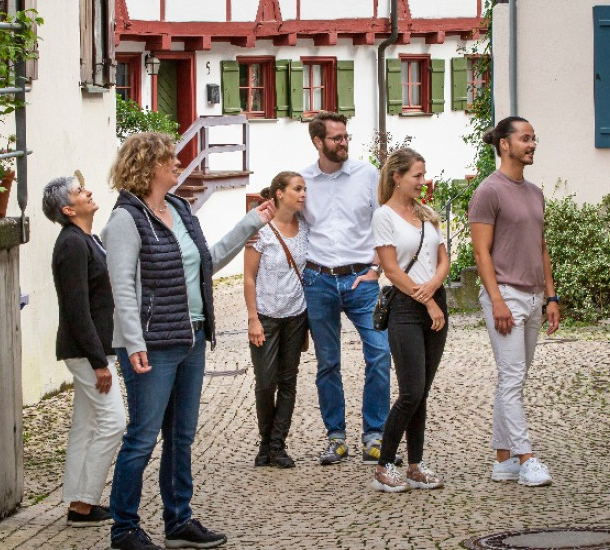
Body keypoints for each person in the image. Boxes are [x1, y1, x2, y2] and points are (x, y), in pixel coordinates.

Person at [103, 132, 275, 550]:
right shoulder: (125, 220)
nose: (178, 165)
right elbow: (122, 287)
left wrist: (252, 222)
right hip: (151, 344)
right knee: (142, 437)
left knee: (181, 437)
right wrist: (133, 341)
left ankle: (178, 521)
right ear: (147, 167)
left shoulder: (179, 209)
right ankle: (123, 528)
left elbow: (208, 261)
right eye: (170, 160)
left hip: (192, 336)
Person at [468, 116, 561, 488]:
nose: (532, 144)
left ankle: (503, 461)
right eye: (525, 138)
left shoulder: (534, 192)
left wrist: (551, 296)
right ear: (504, 144)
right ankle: (527, 458)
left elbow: (541, 248)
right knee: (511, 378)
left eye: (534, 139)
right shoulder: (488, 191)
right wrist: (496, 301)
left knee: (514, 379)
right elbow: (480, 252)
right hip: (504, 294)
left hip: (534, 296)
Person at [300, 111, 395, 466]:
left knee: (379, 354)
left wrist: (377, 268)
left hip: (362, 281)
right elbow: (293, 226)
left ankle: (374, 435)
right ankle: (335, 437)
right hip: (319, 279)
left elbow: (384, 220)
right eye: (336, 138)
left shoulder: (368, 175)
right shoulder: (304, 181)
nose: (343, 143)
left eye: (345, 137)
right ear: (318, 142)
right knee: (327, 362)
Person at [42, 174, 123, 525]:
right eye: (79, 192)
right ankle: (86, 501)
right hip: (86, 350)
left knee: (86, 424)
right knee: (113, 423)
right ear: (67, 208)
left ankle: (78, 503)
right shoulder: (73, 244)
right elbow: (77, 308)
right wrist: (97, 362)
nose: (88, 192)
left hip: (93, 348)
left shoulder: (87, 239)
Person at [369, 148, 450, 492]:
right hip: (405, 305)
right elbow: (391, 270)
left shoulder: (427, 213)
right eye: (417, 175)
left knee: (422, 392)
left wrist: (435, 287)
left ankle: (415, 464)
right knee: (410, 391)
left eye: (424, 174)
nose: (422, 181)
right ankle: (385, 465)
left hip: (435, 299)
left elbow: (444, 259)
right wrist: (429, 300)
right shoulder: (383, 216)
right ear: (397, 177)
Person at [244, 171, 308, 469]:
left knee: (288, 381)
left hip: (296, 316)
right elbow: (248, 278)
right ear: (280, 193)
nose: (303, 194)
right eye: (298, 189)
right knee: (265, 383)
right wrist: (252, 318)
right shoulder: (261, 231)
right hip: (266, 316)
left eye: (305, 189)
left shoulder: (306, 228)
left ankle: (276, 446)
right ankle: (265, 441)